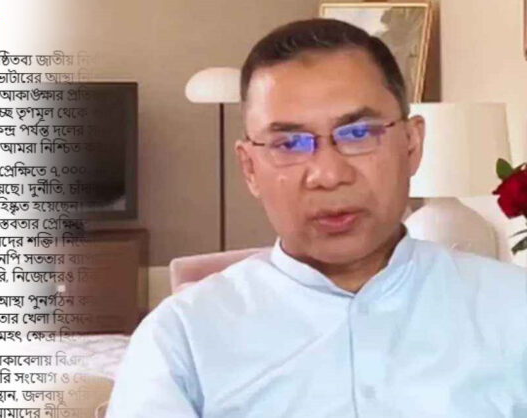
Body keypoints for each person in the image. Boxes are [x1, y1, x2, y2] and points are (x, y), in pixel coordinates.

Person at [106, 19, 527, 417]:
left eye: (358, 134)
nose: (328, 174)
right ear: (250, 168)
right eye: (289, 143)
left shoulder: (513, 309)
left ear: (411, 144)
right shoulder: (181, 338)